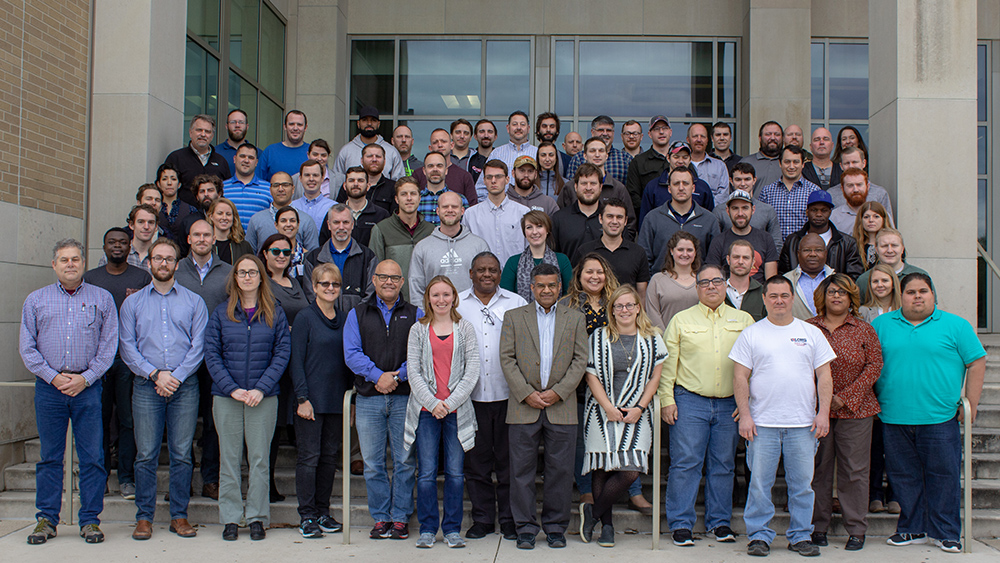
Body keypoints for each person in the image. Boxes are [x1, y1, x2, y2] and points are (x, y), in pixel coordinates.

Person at [873, 273, 986, 553]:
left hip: (940, 417)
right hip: (893, 416)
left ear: (933, 294)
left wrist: (971, 403)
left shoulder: (955, 325)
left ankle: (945, 532)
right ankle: (912, 529)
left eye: (923, 291)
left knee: (944, 476)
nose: (917, 296)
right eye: (910, 292)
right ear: (901, 296)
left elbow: (977, 361)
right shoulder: (881, 325)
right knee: (903, 476)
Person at [20, 239, 118, 545]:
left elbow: (108, 346)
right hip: (49, 390)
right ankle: (47, 519)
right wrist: (53, 377)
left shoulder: (101, 299)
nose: (71, 264)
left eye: (75, 259)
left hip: (88, 389)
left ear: (83, 263)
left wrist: (85, 379)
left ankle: (89, 520)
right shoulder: (36, 300)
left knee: (92, 457)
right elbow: (28, 348)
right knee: (50, 457)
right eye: (64, 260)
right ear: (54, 265)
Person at [730, 275, 836, 558]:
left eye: (784, 295)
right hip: (762, 424)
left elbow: (824, 375)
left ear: (792, 298)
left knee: (802, 485)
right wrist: (746, 416)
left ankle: (801, 536)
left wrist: (822, 413)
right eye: (773, 295)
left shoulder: (811, 333)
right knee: (759, 484)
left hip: (802, 424)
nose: (779, 300)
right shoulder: (752, 333)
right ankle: (759, 536)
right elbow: (740, 376)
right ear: (764, 299)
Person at [118, 238, 208, 541]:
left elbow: (199, 345)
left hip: (185, 386)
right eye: (158, 258)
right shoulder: (132, 303)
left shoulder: (194, 301)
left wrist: (176, 377)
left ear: (177, 264)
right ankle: (144, 517)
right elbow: (127, 347)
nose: (163, 263)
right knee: (146, 454)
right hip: (146, 385)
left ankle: (179, 516)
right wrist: (156, 374)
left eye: (169, 259)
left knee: (182, 454)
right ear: (148, 263)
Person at [661, 265, 754, 547]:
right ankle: (680, 524)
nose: (711, 286)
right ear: (697, 288)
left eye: (717, 281)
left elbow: (755, 365)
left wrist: (747, 404)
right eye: (705, 283)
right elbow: (667, 365)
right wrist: (667, 400)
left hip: (730, 404)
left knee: (724, 465)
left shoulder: (744, 319)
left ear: (726, 285)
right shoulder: (680, 320)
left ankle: (720, 522)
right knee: (685, 463)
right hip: (690, 401)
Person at [500, 263, 589, 550]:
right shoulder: (514, 317)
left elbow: (580, 360)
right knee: (520, 471)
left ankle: (555, 527)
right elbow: (507, 359)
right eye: (541, 285)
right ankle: (525, 527)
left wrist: (558, 392)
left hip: (561, 406)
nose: (547, 290)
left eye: (552, 285)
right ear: (532, 287)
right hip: (523, 406)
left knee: (560, 471)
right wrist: (527, 393)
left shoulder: (575, 318)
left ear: (559, 287)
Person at [204, 254, 291, 541]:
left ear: (261, 277)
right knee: (228, 459)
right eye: (242, 272)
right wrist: (231, 388)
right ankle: (230, 518)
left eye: (252, 272)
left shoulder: (274, 313)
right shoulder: (221, 313)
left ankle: (256, 517)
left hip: (262, 398)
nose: (247, 277)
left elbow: (281, 354)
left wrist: (260, 388)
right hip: (227, 397)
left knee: (259, 459)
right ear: (235, 278)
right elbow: (212, 355)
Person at [579, 285, 667, 547]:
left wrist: (640, 407)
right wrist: (607, 406)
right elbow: (590, 374)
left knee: (630, 471)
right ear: (612, 310)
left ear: (638, 308)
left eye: (629, 305)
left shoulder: (653, 338)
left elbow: (655, 377)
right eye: (619, 306)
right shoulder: (598, 336)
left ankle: (592, 513)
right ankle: (607, 527)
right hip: (602, 410)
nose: (625, 310)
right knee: (602, 468)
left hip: (637, 413)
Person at [805, 274, 882, 551]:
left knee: (854, 470)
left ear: (851, 298)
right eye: (831, 292)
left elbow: (874, 365)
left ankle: (856, 529)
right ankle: (817, 527)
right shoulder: (808, 328)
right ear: (822, 297)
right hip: (815, 411)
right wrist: (824, 400)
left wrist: (845, 397)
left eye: (842, 292)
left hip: (857, 410)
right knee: (818, 470)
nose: (836, 296)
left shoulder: (863, 329)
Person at [344, 259, 420, 541]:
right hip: (369, 399)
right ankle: (380, 517)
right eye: (383, 277)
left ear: (402, 282)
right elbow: (351, 353)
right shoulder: (357, 314)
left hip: (403, 399)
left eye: (394, 278)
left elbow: (420, 354)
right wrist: (378, 376)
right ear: (373, 281)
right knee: (373, 463)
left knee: (404, 461)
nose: (389, 282)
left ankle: (400, 517)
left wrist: (396, 377)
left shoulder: (415, 313)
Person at [404, 276, 481, 549]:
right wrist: (433, 403)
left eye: (446, 294)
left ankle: (451, 529)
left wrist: (449, 403)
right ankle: (427, 528)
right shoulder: (417, 330)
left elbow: (472, 370)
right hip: (426, 410)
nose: (441, 300)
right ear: (428, 298)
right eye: (435, 295)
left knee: (455, 473)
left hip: (456, 411)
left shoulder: (465, 328)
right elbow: (413, 371)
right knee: (425, 473)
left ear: (454, 297)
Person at [456, 252, 528, 541]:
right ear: (471, 272)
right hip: (471, 397)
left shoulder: (516, 303)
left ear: (500, 274)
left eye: (493, 270)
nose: (487, 275)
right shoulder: (457, 303)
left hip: (509, 395)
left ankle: (510, 519)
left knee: (510, 463)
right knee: (476, 463)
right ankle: (483, 519)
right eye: (481, 270)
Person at [84, 229, 152, 501]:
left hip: (128, 360)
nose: (117, 246)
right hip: (95, 360)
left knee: (127, 420)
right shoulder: (90, 278)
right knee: (98, 420)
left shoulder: (141, 277)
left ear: (129, 246)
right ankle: (99, 477)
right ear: (104, 246)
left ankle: (126, 478)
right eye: (112, 242)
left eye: (123, 242)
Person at [291, 263, 353, 538]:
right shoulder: (305, 318)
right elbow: (295, 362)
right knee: (309, 458)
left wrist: (350, 401)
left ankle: (322, 511)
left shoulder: (345, 318)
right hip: (310, 402)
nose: (330, 288)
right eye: (324, 284)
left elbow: (349, 361)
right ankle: (306, 515)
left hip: (336, 400)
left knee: (329, 458)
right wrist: (302, 397)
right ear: (314, 287)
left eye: (335, 284)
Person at [173, 219, 232, 500]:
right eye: (196, 234)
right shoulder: (175, 270)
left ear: (214, 239)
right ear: (188, 239)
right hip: (179, 358)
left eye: (206, 234)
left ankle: (210, 478)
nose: (201, 239)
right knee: (180, 422)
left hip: (215, 359)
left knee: (212, 423)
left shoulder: (228, 273)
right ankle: (180, 482)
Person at [858, 264, 902, 516]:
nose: (880, 285)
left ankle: (895, 494)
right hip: (872, 384)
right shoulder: (864, 312)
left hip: (896, 382)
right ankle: (874, 493)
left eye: (885, 280)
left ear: (894, 282)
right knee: (874, 444)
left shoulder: (903, 310)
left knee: (895, 445)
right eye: (875, 281)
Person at [409, 191, 490, 302]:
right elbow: (416, 289)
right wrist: (425, 316)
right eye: (445, 207)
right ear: (438, 211)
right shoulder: (422, 247)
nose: (450, 210)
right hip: (435, 315)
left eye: (454, 207)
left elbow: (486, 285)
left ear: (462, 211)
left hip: (471, 315)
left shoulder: (479, 245)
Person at [638, 165, 720, 272]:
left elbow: (714, 261)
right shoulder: (652, 218)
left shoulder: (709, 220)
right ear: (669, 188)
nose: (681, 188)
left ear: (693, 188)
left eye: (685, 183)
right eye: (676, 183)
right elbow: (644, 258)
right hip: (661, 283)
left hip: (697, 285)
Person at [368, 177, 435, 303]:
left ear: (420, 198)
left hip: (427, 304)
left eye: (413, 194)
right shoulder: (381, 229)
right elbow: (375, 273)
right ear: (396, 199)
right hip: (393, 304)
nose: (409, 198)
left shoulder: (431, 231)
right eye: (404, 194)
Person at [556, 137, 637, 235]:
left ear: (606, 155)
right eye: (592, 151)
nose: (597, 155)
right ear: (585, 155)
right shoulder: (570, 187)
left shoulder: (618, 188)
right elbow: (559, 219)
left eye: (601, 151)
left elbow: (630, 224)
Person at [572, 198, 651, 299]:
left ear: (625, 221)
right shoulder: (584, 251)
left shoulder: (638, 252)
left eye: (619, 217)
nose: (614, 221)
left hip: (625, 312)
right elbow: (576, 288)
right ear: (600, 219)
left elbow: (641, 293)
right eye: (610, 216)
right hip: (590, 312)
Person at [778, 190, 864, 278]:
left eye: (824, 210)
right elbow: (783, 275)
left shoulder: (847, 243)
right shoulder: (792, 241)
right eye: (814, 210)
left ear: (830, 212)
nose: (819, 214)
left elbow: (854, 277)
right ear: (807, 212)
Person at [304, 205, 377, 309]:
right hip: (323, 321)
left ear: (352, 224)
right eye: (336, 222)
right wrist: (328, 316)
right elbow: (310, 294)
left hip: (358, 322)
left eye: (346, 222)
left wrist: (355, 317)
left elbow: (371, 293)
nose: (341, 227)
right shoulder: (313, 258)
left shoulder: (368, 257)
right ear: (329, 225)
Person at [462, 159, 529, 265]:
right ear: (484, 180)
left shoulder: (523, 213)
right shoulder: (471, 215)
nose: (493, 181)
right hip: (482, 276)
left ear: (507, 179)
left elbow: (529, 249)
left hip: (515, 276)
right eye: (489, 177)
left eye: (498, 176)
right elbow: (465, 251)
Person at [706, 190, 779, 283]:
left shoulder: (766, 239)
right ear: (728, 211)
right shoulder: (719, 241)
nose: (740, 213)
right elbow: (713, 279)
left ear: (753, 210)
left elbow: (771, 282)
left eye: (745, 208)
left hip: (759, 294)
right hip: (728, 295)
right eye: (735, 208)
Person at [639, 142, 716, 226]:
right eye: (676, 157)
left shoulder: (702, 187)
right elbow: (644, 222)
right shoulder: (653, 187)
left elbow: (710, 221)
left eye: (685, 157)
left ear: (690, 159)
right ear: (668, 158)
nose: (680, 161)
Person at [501, 210, 573, 300]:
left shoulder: (562, 260)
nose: (534, 232)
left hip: (558, 313)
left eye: (539, 226)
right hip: (520, 313)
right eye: (529, 227)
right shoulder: (513, 262)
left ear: (547, 230)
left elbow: (569, 294)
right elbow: (506, 296)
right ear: (524, 232)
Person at [757, 145, 822, 243]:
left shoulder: (814, 191)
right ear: (780, 163)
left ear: (803, 164)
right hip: (775, 251)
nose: (791, 166)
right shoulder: (767, 192)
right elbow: (761, 224)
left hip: (803, 249)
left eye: (796, 162)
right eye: (787, 162)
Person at [162, 114, 231, 206]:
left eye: (207, 131)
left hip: (213, 217)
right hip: (183, 217)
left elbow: (227, 191)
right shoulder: (176, 158)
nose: (203, 134)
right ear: (190, 132)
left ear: (212, 136)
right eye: (199, 130)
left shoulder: (221, 161)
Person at [330, 107, 404, 190]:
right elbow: (337, 182)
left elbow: (400, 183)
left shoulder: (391, 151)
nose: (369, 123)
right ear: (358, 123)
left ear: (378, 124)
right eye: (365, 120)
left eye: (373, 120)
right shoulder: (346, 151)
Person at [245, 172, 320, 252]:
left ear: (293, 189)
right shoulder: (256, 220)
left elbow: (313, 256)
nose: (280, 189)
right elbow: (249, 255)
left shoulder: (306, 220)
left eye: (285, 185)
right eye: (276, 185)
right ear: (270, 190)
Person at [550, 164, 610, 261]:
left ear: (601, 187)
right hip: (570, 275)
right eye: (584, 183)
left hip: (604, 276)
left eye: (593, 183)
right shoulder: (559, 218)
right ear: (575, 187)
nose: (588, 188)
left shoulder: (611, 219)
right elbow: (552, 256)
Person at [645, 231, 702, 329]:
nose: (685, 254)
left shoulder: (704, 280)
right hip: (665, 341)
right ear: (672, 251)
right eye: (680, 249)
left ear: (695, 252)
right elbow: (652, 314)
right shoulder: (657, 280)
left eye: (689, 250)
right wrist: (666, 340)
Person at [856, 228, 930, 302]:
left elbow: (930, 307)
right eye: (884, 246)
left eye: (894, 245)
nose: (889, 250)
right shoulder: (864, 280)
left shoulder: (921, 276)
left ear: (902, 249)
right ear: (877, 249)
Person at [475, 111, 537, 195]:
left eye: (522, 124)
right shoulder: (497, 153)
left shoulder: (537, 153)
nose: (518, 128)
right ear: (508, 128)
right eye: (514, 124)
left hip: (531, 205)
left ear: (528, 128)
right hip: (501, 205)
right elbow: (481, 188)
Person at [413, 129, 478, 205]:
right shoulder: (418, 174)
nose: (440, 145)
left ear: (452, 145)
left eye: (444, 141)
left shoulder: (464, 176)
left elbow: (472, 207)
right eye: (435, 142)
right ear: (430, 148)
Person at [625, 115, 672, 213]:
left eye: (664, 128)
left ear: (670, 132)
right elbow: (633, 195)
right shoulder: (638, 162)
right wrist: (651, 214)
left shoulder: (680, 160)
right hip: (649, 218)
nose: (661, 132)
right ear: (649, 134)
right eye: (656, 129)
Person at [565, 116, 632, 185]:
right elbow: (571, 188)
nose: (605, 133)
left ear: (613, 133)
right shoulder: (578, 158)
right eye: (601, 130)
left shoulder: (625, 158)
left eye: (608, 130)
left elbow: (631, 188)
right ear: (592, 132)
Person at [785, 233, 836, 319]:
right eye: (807, 250)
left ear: (826, 253)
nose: (812, 254)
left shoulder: (838, 281)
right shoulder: (786, 281)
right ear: (798, 253)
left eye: (818, 250)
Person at [223, 143, 273, 231]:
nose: (246, 161)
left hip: (259, 243)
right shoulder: (222, 188)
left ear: (256, 162)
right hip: (229, 243)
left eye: (251, 158)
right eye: (242, 156)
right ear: (234, 159)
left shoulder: (269, 189)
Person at [416, 151, 471, 224]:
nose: (435, 169)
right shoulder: (415, 200)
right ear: (424, 171)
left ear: (446, 170)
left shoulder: (461, 200)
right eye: (430, 166)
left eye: (439, 166)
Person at [341, 165, 390, 246]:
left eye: (360, 181)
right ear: (344, 186)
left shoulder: (382, 215)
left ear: (368, 186)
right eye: (351, 180)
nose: (356, 184)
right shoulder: (335, 214)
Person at [155, 163, 201, 248]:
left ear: (179, 184)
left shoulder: (190, 210)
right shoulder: (153, 208)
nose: (169, 183)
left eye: (173, 179)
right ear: (158, 184)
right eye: (165, 179)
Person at [257, 110, 310, 184]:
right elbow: (259, 182)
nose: (295, 128)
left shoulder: (313, 152)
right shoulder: (270, 152)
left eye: (299, 124)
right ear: (285, 126)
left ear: (305, 127)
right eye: (291, 124)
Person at [100, 204, 158, 271]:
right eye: (141, 222)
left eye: (151, 222)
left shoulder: (161, 254)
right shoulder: (112, 254)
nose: (146, 227)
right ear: (131, 225)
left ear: (156, 227)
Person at [687, 123, 730, 206]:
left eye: (702, 136)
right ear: (688, 139)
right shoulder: (682, 166)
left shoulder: (720, 166)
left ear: (707, 140)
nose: (699, 140)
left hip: (712, 215)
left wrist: (707, 210)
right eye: (695, 136)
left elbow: (723, 195)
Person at [724, 240, 767, 321]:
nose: (740, 262)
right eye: (736, 257)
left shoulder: (763, 292)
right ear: (728, 259)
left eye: (746, 258)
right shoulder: (717, 291)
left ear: (753, 262)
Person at [738, 121, 784, 195]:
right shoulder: (746, 162)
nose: (772, 138)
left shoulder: (788, 165)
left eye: (777, 134)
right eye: (768, 134)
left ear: (783, 138)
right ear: (760, 138)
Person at [291, 159, 335, 232]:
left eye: (315, 175)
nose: (311, 179)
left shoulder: (332, 207)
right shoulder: (292, 207)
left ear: (322, 178)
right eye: (307, 175)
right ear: (300, 178)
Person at [207, 197, 254, 264]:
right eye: (220, 213)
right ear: (211, 216)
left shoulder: (243, 246)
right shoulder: (204, 244)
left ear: (233, 217)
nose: (224, 217)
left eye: (228, 214)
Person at [852, 201, 893, 271]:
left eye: (876, 216)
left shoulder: (893, 245)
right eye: (866, 217)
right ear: (861, 220)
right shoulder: (853, 245)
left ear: (883, 219)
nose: (871, 220)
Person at [468, 119, 497, 183]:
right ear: (475, 136)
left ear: (495, 136)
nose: (486, 135)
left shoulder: (501, 158)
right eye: (482, 131)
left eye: (490, 132)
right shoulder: (470, 158)